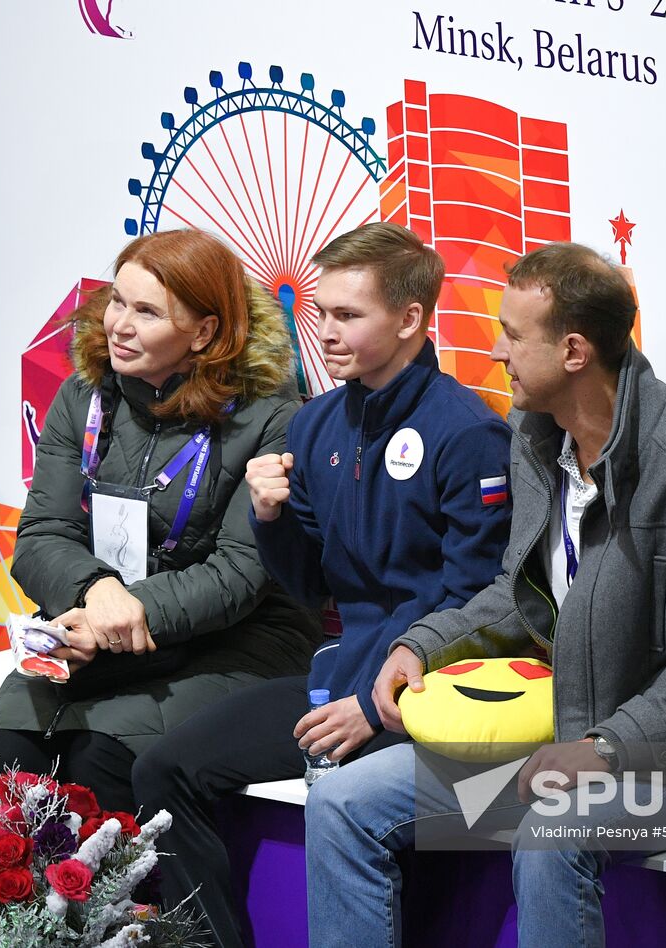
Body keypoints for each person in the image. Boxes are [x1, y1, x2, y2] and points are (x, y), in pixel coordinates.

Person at [304, 242, 666, 947]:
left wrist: (607, 745)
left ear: (573, 352)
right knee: (343, 801)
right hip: (559, 741)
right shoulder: (537, 440)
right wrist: (425, 644)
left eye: (511, 334)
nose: (495, 352)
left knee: (554, 829)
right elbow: (518, 593)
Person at [130, 222, 514, 947]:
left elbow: (476, 605)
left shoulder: (468, 433)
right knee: (165, 771)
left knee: (348, 799)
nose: (327, 333)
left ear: (409, 320)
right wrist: (269, 515)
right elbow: (310, 587)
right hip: (340, 679)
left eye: (349, 315)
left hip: (432, 696)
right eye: (321, 314)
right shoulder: (314, 426)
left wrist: (373, 708)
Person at [0, 229, 320, 812]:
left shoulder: (269, 415)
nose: (118, 324)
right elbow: (43, 534)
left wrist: (123, 615)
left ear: (204, 332)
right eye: (117, 301)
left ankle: (138, 905)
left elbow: (239, 574)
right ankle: (14, 906)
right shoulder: (85, 396)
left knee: (103, 753)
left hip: (234, 641)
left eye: (146, 312)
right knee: (8, 745)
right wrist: (95, 593)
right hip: (102, 622)